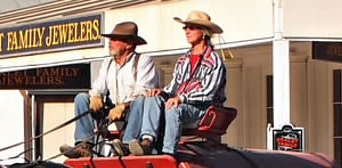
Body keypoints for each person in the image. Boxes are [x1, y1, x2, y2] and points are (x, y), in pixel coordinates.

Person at [60, 21, 159, 158]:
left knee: (140, 101)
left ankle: (126, 144)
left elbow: (144, 89)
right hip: (111, 108)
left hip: (132, 109)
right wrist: (96, 95)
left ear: (128, 44)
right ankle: (84, 144)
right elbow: (99, 85)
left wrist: (123, 106)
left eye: (114, 39)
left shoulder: (143, 61)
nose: (109, 42)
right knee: (81, 98)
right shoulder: (107, 63)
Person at [135, 10, 226, 156]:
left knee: (174, 108)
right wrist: (162, 92)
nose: (187, 31)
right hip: (183, 103)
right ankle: (147, 141)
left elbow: (208, 93)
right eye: (185, 27)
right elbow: (174, 87)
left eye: (191, 27)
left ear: (204, 32)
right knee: (152, 98)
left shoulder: (214, 60)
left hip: (203, 109)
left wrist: (180, 98)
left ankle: (168, 152)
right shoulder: (183, 60)